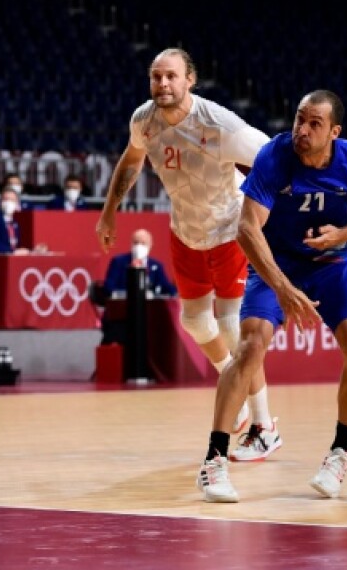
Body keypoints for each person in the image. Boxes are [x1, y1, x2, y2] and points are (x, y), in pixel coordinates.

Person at [196, 90, 347, 503]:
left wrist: (344, 234)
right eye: (299, 120)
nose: (302, 130)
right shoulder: (275, 156)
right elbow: (248, 230)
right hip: (278, 263)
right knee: (250, 345)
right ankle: (214, 460)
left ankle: (340, 453)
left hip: (331, 263)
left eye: (314, 124)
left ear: (334, 133)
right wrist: (284, 289)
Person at [96, 48, 273, 441]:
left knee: (230, 324)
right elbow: (131, 160)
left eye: (171, 76)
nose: (163, 84)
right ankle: (234, 388)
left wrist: (287, 209)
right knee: (193, 321)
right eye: (156, 77)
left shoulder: (218, 123)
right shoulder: (144, 120)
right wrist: (110, 210)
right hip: (186, 231)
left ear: (189, 79)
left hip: (229, 229)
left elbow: (272, 159)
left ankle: (263, 424)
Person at [103, 229, 177, 297]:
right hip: (123, 305)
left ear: (150, 246)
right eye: (136, 242)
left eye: (143, 243)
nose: (139, 246)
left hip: (149, 307)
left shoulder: (156, 266)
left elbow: (168, 289)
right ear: (131, 244)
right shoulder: (118, 262)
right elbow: (108, 287)